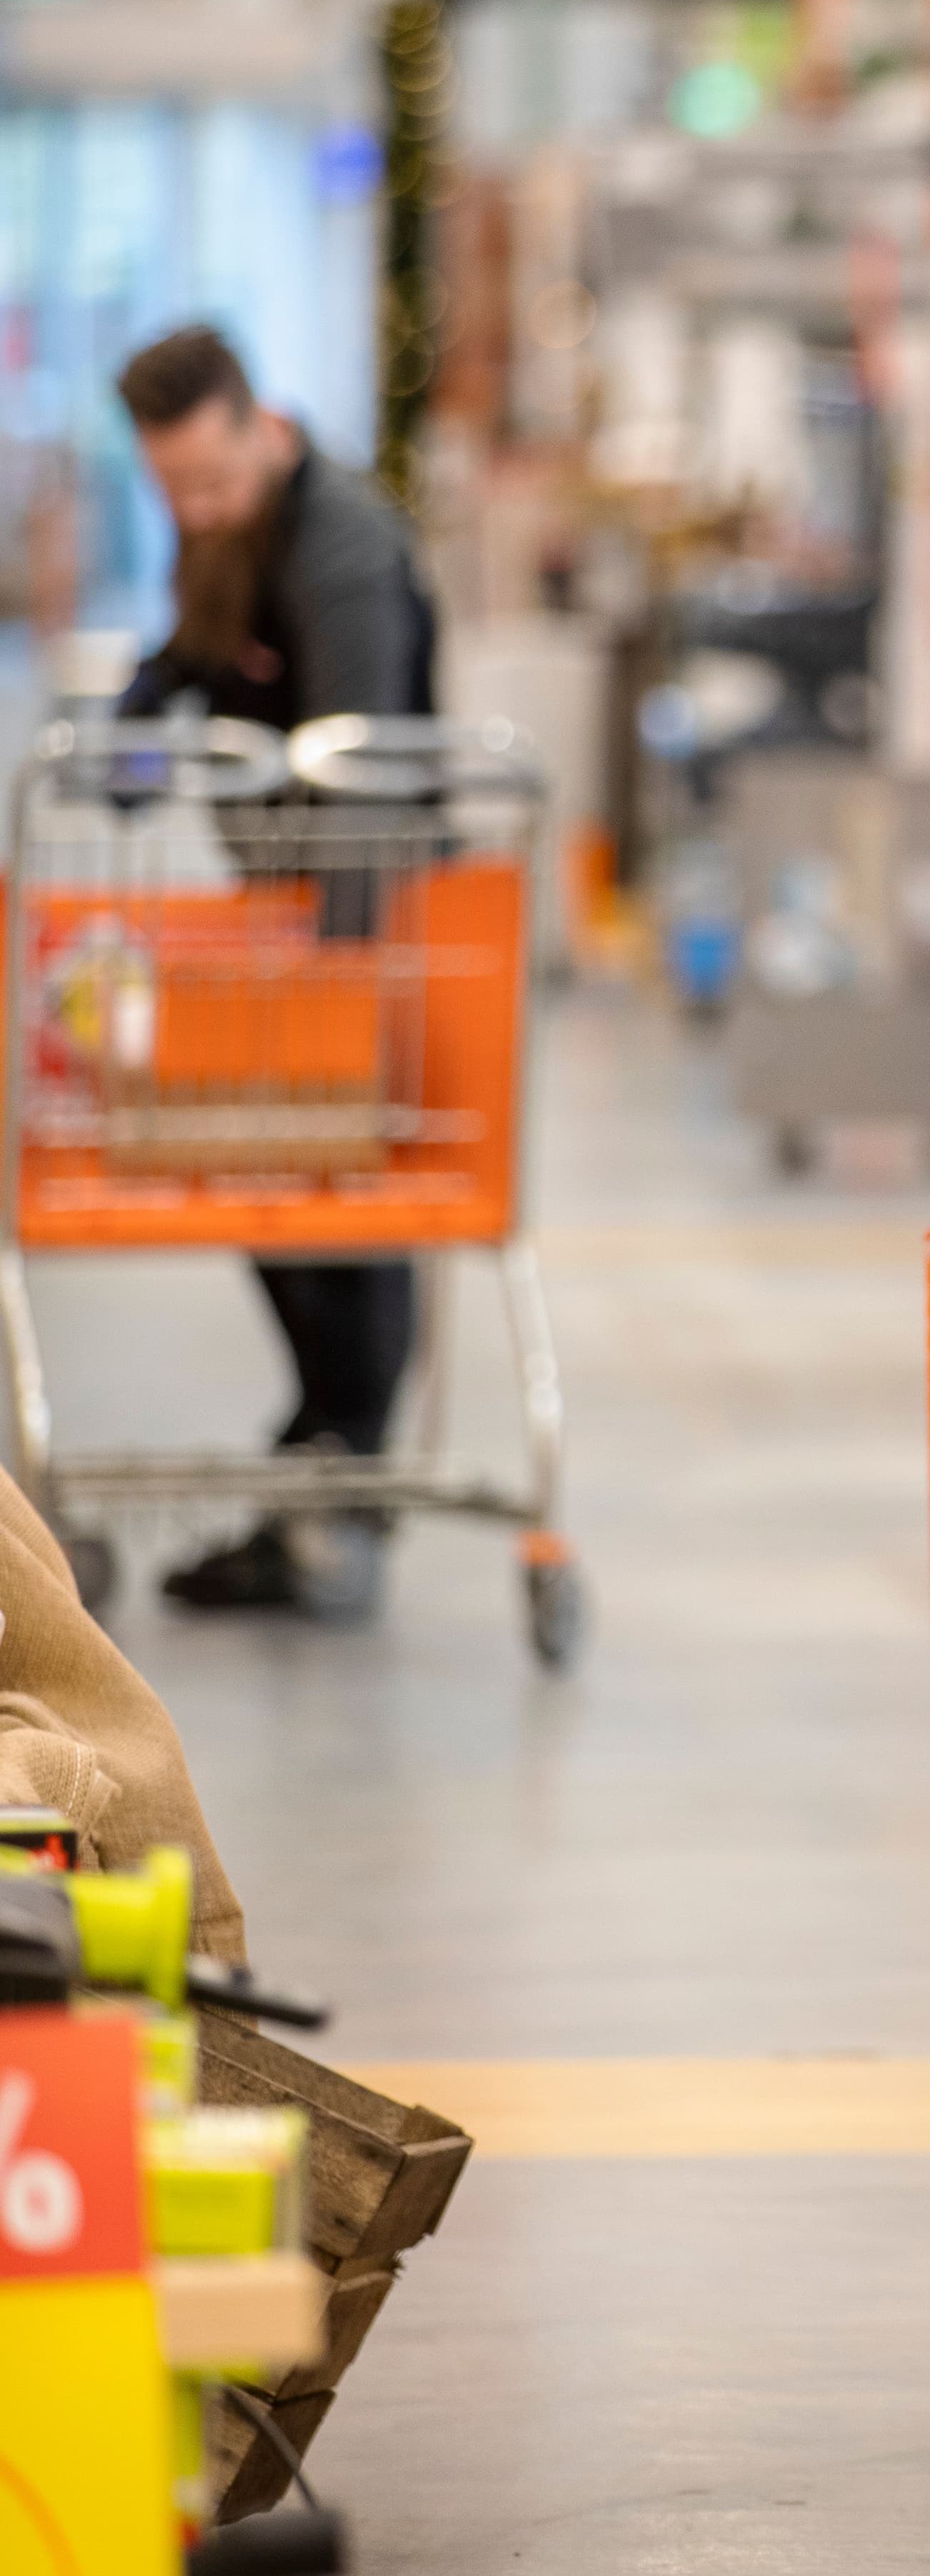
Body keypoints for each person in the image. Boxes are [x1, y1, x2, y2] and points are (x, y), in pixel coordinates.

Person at [113, 324, 439, 1626]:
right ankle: (320, 1458)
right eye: (172, 488)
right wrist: (141, 714)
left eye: (210, 481)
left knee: (346, 1199)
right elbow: (204, 648)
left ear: (264, 426)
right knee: (264, 1182)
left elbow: (365, 774)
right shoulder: (231, 523)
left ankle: (343, 1478)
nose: (195, 510)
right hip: (280, 928)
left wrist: (339, 991)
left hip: (362, 928)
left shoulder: (347, 552)